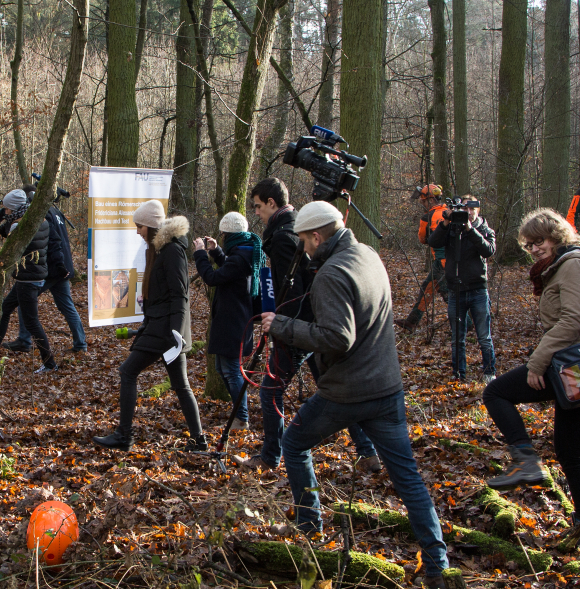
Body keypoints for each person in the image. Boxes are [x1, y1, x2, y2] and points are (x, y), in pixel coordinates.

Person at [254, 202, 451, 579]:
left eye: (304, 241)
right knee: (407, 475)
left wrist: (281, 326)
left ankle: (309, 527)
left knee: (293, 445)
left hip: (347, 391)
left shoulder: (331, 273)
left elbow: (338, 338)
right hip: (387, 386)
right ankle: (438, 564)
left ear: (316, 235)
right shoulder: (368, 254)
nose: (303, 249)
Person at [483, 208, 580, 552]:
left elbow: (573, 321)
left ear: (556, 236)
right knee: (571, 453)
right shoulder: (561, 265)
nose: (535, 249)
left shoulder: (575, 264)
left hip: (578, 364)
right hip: (575, 364)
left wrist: (538, 363)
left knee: (496, 392)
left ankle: (526, 462)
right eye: (529, 244)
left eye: (539, 241)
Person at [246, 178, 380, 472]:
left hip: (301, 327)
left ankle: (270, 456)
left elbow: (293, 290)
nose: (256, 213)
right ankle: (367, 452)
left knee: (270, 390)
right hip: (313, 325)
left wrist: (283, 328)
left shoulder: (284, 236)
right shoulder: (296, 227)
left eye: (258, 206)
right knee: (331, 388)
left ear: (272, 203)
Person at [93, 200, 206, 450]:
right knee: (181, 385)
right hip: (161, 325)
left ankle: (124, 436)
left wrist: (177, 333)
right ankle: (199, 441)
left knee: (128, 372)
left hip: (165, 330)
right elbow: (167, 291)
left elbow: (180, 295)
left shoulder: (173, 251)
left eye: (140, 226)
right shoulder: (159, 250)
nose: (137, 232)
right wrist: (148, 299)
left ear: (152, 226)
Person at [193, 211, 264, 432]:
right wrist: (216, 251)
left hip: (234, 323)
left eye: (223, 234)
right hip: (234, 320)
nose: (221, 236)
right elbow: (229, 271)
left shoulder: (241, 257)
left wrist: (201, 255)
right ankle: (239, 413)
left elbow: (213, 278)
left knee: (232, 370)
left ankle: (241, 417)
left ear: (229, 234)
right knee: (223, 368)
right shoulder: (245, 253)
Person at [0, 188, 58, 373]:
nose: (6, 213)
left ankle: (50, 363)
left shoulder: (19, 226)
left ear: (16, 209)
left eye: (8, 210)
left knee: (32, 322)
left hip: (28, 279)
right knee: (5, 308)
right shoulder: (39, 219)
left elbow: (10, 252)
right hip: (32, 276)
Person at [428, 196, 496, 383]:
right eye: (465, 208)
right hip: (455, 290)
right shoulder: (450, 228)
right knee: (457, 338)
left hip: (478, 291)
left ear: (477, 211)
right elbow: (433, 242)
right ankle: (459, 374)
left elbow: (488, 250)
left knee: (484, 336)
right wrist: (445, 222)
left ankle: (489, 371)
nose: (468, 212)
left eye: (472, 208)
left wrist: (470, 230)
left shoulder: (484, 229)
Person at [13, 184, 87, 354]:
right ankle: (80, 343)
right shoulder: (54, 211)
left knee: (23, 299)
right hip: (61, 266)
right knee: (66, 305)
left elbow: (52, 242)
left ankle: (24, 340)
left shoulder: (43, 212)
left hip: (52, 267)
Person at [400, 185, 449, 330]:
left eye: (424, 201)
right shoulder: (451, 212)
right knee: (428, 289)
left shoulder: (428, 217)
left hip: (442, 261)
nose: (423, 204)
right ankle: (412, 321)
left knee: (449, 295)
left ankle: (468, 325)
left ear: (431, 200)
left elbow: (422, 239)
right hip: (454, 259)